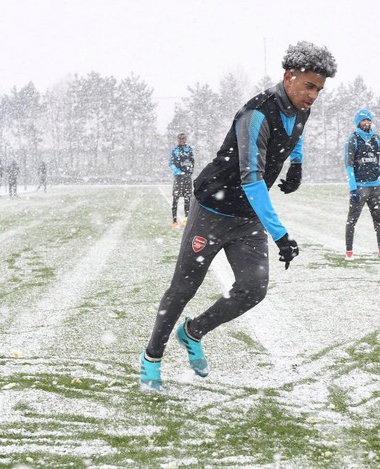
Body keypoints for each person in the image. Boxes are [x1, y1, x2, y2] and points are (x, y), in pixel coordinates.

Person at [139, 41, 337, 391]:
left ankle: (193, 332)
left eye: (319, 89)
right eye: (309, 86)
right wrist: (280, 234)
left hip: (247, 218)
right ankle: (151, 358)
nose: (313, 96)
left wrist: (297, 164)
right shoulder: (257, 114)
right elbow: (252, 180)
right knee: (184, 287)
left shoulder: (301, 108)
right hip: (213, 209)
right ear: (288, 77)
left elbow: (298, 132)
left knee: (253, 288)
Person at [344, 108, 380, 260]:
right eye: (363, 120)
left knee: (379, 220)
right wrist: (353, 188)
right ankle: (349, 252)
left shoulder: (376, 139)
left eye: (368, 120)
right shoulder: (353, 139)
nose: (366, 122)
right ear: (358, 123)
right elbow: (348, 165)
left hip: (375, 187)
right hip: (360, 187)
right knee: (352, 220)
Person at [169, 133, 195, 228]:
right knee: (175, 198)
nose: (182, 140)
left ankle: (187, 219)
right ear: (177, 139)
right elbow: (171, 163)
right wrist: (178, 171)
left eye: (183, 138)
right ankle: (174, 220)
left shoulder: (189, 150)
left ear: (186, 139)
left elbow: (192, 161)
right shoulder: (174, 150)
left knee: (187, 198)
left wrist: (190, 171)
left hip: (187, 177)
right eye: (180, 139)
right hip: (178, 177)